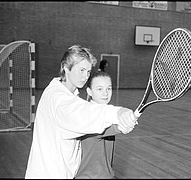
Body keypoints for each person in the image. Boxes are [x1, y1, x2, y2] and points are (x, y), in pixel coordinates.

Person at [25, 45, 137, 179]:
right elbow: (83, 113)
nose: (85, 76)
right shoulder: (59, 99)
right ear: (66, 68)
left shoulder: (60, 91)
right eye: (81, 70)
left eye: (88, 71)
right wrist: (118, 113)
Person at [75, 71, 121, 179]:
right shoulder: (89, 115)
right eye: (99, 89)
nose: (105, 93)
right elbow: (116, 127)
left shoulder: (107, 113)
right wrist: (125, 121)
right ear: (89, 91)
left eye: (108, 88)